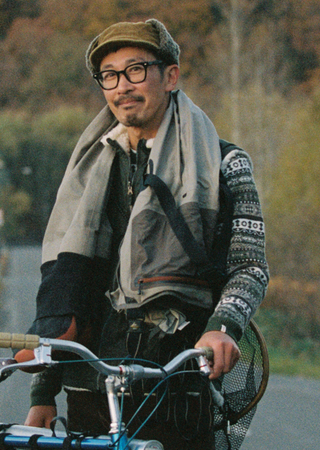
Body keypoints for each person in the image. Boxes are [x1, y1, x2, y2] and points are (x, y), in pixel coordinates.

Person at [20, 18, 269, 449]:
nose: (122, 86)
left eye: (136, 70)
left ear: (170, 76)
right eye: (110, 75)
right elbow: (66, 287)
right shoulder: (89, 171)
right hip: (90, 392)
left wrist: (222, 328)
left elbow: (250, 267)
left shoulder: (224, 164)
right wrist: (43, 391)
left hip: (175, 389)